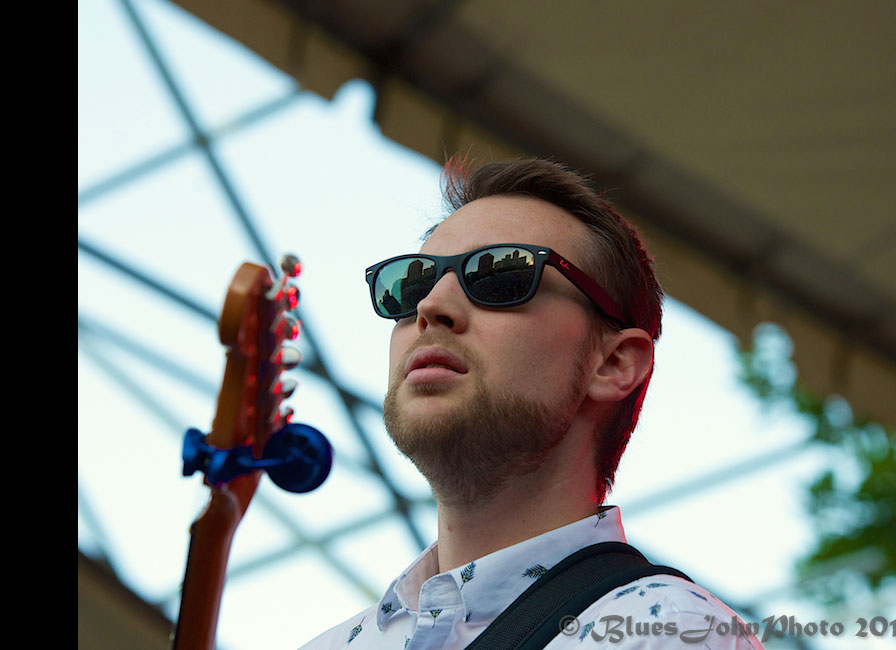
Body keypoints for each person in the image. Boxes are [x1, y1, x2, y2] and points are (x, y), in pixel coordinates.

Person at [299, 157, 764, 649]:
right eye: (412, 283)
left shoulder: (668, 632)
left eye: (501, 275)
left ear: (613, 364)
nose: (430, 306)